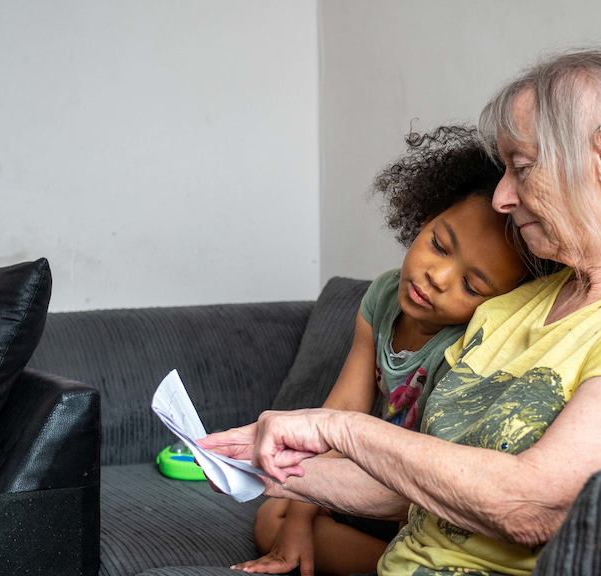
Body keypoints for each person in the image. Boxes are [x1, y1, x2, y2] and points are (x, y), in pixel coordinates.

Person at [200, 47, 601, 576]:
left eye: (522, 167)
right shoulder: (509, 309)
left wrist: (338, 427)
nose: (501, 199)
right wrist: (265, 467)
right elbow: (414, 490)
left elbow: (530, 505)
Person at [232, 126, 542, 576]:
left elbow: (430, 481)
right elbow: (342, 410)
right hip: (359, 483)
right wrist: (300, 515)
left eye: (471, 285)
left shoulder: (466, 346)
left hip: (415, 506)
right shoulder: (381, 298)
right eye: (438, 244)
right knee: (274, 519)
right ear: (425, 215)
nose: (437, 276)